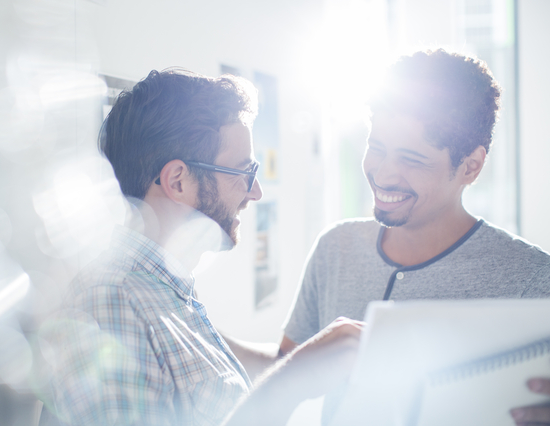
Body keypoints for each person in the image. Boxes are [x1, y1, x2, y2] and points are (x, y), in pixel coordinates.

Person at [226, 49, 550, 425]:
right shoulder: (336, 247)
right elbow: (287, 365)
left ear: (471, 166)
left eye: (412, 160)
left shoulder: (532, 278)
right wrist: (193, 327)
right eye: (376, 148)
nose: (383, 174)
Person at [38, 69, 361, 426]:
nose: (255, 192)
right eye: (243, 172)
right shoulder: (113, 303)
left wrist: (302, 365)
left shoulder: (164, 292)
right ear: (178, 181)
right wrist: (288, 386)